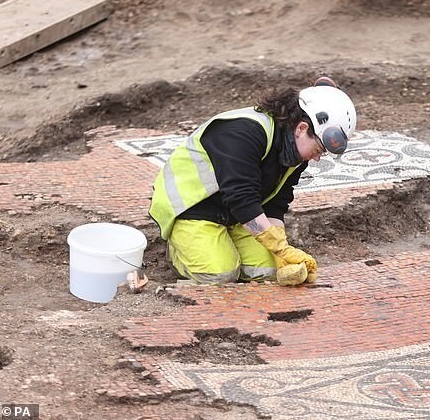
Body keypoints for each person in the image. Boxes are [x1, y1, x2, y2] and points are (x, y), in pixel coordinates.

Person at [149, 77, 357, 285]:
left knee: (266, 270)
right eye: (319, 149)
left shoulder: (294, 153)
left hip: (234, 215)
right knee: (220, 275)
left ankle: (226, 243)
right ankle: (178, 251)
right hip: (194, 208)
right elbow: (241, 198)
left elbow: (277, 202)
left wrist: (280, 255)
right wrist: (280, 248)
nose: (318, 157)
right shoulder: (244, 133)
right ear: (301, 128)